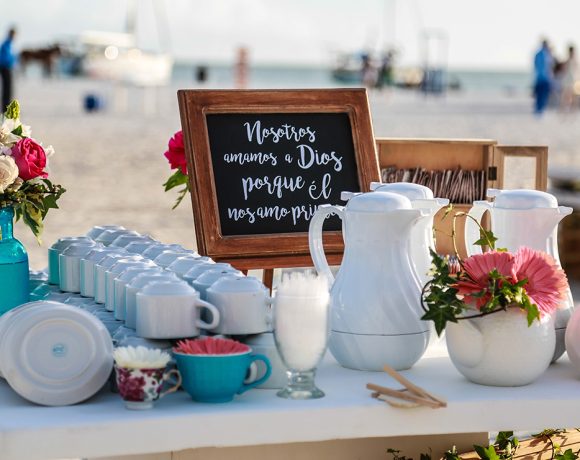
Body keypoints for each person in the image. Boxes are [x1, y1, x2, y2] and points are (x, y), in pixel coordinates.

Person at [533, 39, 553, 115]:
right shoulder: (547, 54)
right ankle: (540, 109)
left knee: (539, 94)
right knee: (543, 94)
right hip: (545, 78)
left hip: (539, 77)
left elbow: (535, 65)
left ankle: (538, 109)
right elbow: (550, 66)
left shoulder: (538, 54)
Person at [0, 27, 16, 112]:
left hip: (7, 67)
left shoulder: (9, 43)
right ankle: (5, 108)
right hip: (5, 68)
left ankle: (7, 107)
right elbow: (5, 57)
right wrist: (11, 62)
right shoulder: (6, 44)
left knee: (9, 89)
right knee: (7, 89)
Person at [560, 44, 578, 111]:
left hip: (572, 79)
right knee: (566, 94)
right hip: (568, 79)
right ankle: (565, 108)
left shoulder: (572, 60)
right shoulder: (568, 60)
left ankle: (572, 109)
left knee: (572, 94)